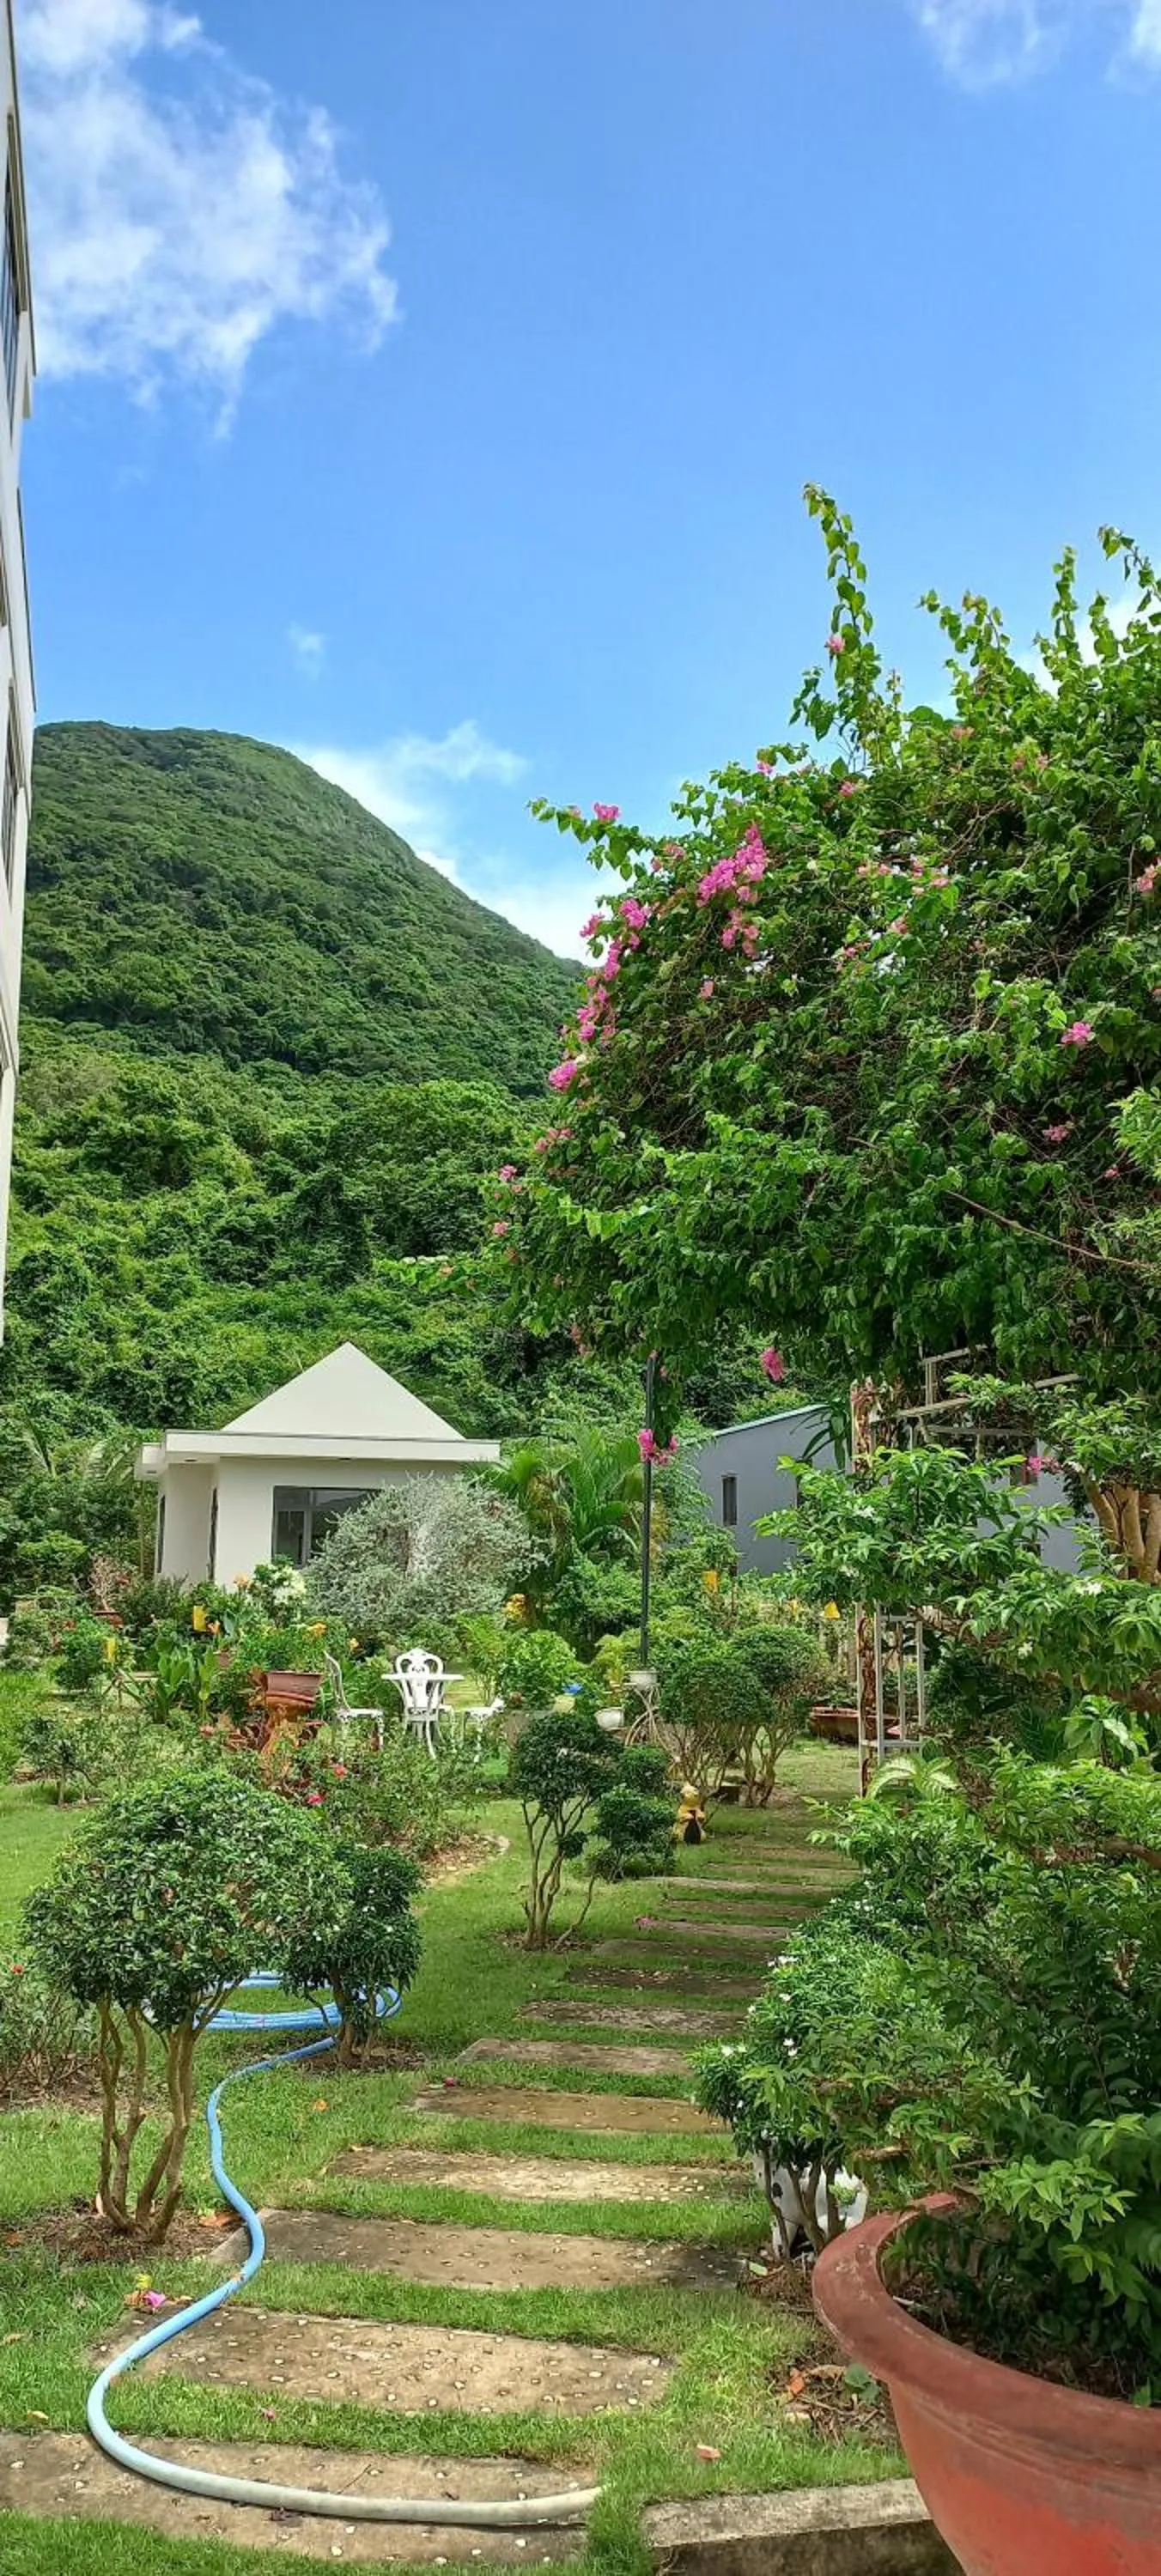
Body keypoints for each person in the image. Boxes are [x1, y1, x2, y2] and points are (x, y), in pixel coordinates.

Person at [674, 1781, 707, 1845]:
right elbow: (678, 1818)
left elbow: (702, 1818)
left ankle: (697, 1839)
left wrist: (701, 1817)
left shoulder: (697, 1808)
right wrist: (685, 1817)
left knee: (702, 1835)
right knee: (678, 1834)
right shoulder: (683, 1808)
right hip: (684, 1830)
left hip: (696, 1830)